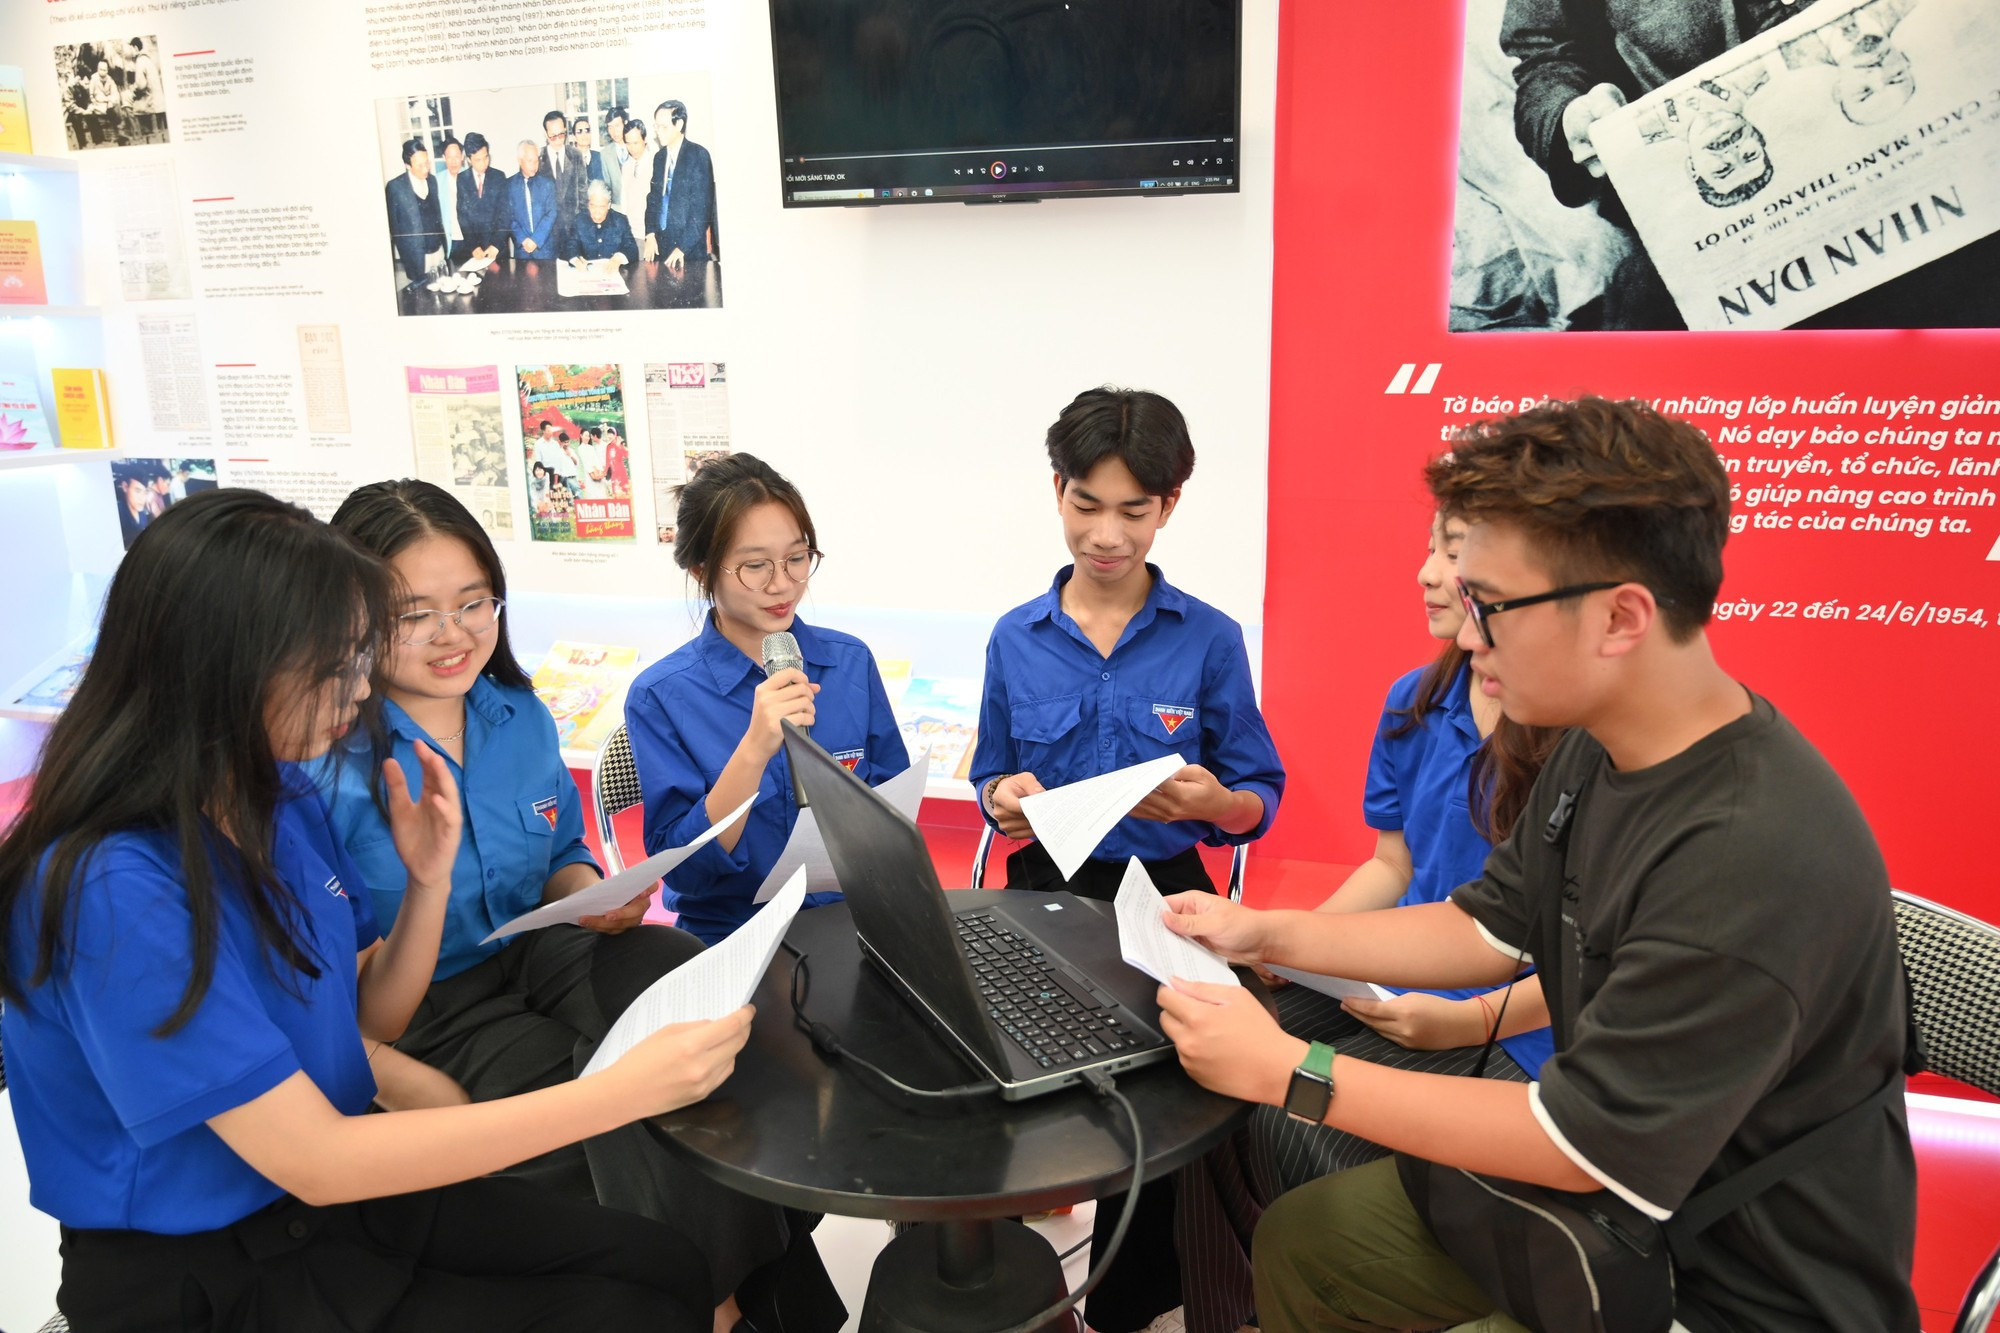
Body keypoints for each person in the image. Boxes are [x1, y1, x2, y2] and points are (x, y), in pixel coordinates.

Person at [1157, 397, 1919, 1333]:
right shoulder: (1598, 745)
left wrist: (1290, 1068)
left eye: (1492, 606)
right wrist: (1264, 930)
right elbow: (1484, 923)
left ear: (1620, 617)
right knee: (1311, 1242)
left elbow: (1577, 1141)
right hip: (1614, 1213)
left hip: (1728, 1285)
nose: (1467, 635)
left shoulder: (1747, 855)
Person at [0, 489, 743, 1331]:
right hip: (214, 1265)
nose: (360, 688)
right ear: (227, 667)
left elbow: (370, 1015)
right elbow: (315, 1157)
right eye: (338, 662)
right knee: (629, 1307)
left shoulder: (275, 796)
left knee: (666, 1267)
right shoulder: (113, 888)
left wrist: (426, 882)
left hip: (330, 1208)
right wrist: (619, 1092)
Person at [321, 480, 844, 1333]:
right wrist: (389, 1072)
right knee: (624, 1095)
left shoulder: (519, 715)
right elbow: (327, 998)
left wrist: (591, 894)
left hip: (543, 948)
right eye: (415, 614)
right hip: (427, 1006)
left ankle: (759, 1287)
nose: (453, 634)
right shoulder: (324, 760)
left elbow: (563, 852)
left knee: (711, 1005)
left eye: (473, 603)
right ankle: (727, 1309)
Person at [1169, 509, 1563, 1333]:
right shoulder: (1415, 702)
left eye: (1455, 554)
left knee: (1287, 1116)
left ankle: (1338, 1285)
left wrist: (1464, 1022)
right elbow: (1397, 869)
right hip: (1402, 975)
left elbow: (1569, 958)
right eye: (1430, 546)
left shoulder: (1582, 740)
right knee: (1198, 1050)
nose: (1428, 573)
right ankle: (1228, 1305)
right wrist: (1278, 938)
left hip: (1515, 1030)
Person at [968, 386, 1284, 1333]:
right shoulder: (1015, 638)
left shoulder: (1210, 639)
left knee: (1162, 1096)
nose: (1106, 535)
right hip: (1045, 889)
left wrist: (1215, 803)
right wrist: (1001, 797)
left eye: (1133, 511)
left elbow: (1258, 797)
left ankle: (1128, 1302)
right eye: (1086, 505)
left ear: (1169, 506)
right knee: (1006, 1066)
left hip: (1168, 897)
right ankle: (1013, 1271)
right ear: (1056, 491)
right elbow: (990, 775)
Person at [624, 453, 908, 945]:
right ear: (701, 570)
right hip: (735, 934)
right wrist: (754, 750)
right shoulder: (661, 695)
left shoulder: (849, 662)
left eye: (797, 558)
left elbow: (894, 809)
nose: (782, 584)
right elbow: (685, 873)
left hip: (853, 920)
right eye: (755, 566)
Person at [643, 99, 719, 274]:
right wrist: (650, 233)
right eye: (656, 126)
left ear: (679, 124)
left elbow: (701, 211)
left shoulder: (699, 156)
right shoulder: (659, 158)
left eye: (663, 127)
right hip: (661, 248)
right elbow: (653, 199)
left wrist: (682, 248)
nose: (658, 132)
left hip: (688, 252)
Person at [385, 136, 446, 282]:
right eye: (420, 165)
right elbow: (394, 229)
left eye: (427, 162)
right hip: (417, 257)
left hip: (439, 251)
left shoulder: (432, 181)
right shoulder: (395, 187)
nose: (426, 169)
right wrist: (407, 257)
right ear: (407, 165)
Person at [539, 109, 590, 256]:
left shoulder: (576, 155)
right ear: (545, 134)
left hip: (573, 232)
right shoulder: (538, 158)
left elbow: (583, 194)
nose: (558, 140)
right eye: (553, 136)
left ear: (565, 131)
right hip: (546, 235)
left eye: (561, 134)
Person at [560, 179, 640, 269]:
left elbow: (632, 249)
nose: (597, 212)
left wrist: (619, 258)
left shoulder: (620, 221)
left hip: (612, 273)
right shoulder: (579, 220)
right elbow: (570, 246)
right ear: (588, 204)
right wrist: (576, 260)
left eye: (601, 207)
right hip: (586, 274)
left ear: (609, 205)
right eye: (593, 206)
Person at [455, 131, 509, 263]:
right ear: (469, 159)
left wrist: (496, 245)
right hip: (475, 252)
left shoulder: (499, 177)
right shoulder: (462, 179)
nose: (483, 163)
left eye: (486, 157)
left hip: (497, 250)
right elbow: (462, 217)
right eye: (478, 160)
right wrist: (473, 246)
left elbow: (505, 214)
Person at [507, 139, 556, 259]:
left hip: (544, 249)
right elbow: (509, 217)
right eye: (530, 161)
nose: (534, 165)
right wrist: (523, 239)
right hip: (522, 250)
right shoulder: (509, 185)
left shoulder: (548, 184)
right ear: (520, 160)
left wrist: (536, 240)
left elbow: (551, 214)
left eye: (536, 161)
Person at [434, 135, 465, 265]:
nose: (453, 162)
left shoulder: (471, 177)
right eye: (449, 157)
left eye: (456, 157)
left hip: (472, 242)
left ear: (462, 156)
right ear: (443, 158)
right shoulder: (437, 181)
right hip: (450, 241)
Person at [619, 119, 655, 231]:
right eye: (628, 143)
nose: (632, 148)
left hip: (649, 230)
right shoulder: (626, 166)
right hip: (631, 229)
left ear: (645, 139)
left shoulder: (655, 164)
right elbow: (624, 200)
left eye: (636, 143)